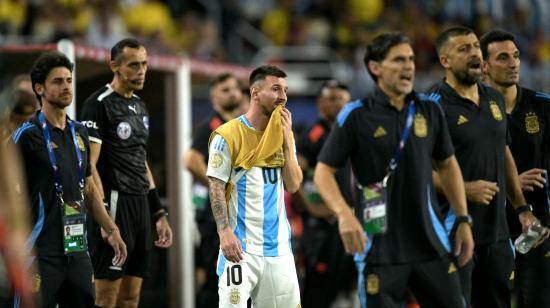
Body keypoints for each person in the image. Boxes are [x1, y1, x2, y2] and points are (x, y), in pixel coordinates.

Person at [314, 32, 474, 308]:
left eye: (411, 59)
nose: (409, 66)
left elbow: (448, 165)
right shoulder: (356, 115)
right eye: (399, 60)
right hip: (378, 247)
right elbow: (323, 172)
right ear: (375, 68)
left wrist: (462, 219)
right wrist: (344, 215)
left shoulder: (429, 110)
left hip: (430, 243)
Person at [428, 26, 540, 308]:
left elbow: (503, 153)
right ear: (445, 61)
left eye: (476, 46)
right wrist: (463, 189)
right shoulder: (432, 107)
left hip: (497, 233)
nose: (474, 53)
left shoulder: (493, 99)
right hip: (451, 230)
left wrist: (523, 209)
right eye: (463, 49)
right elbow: (412, 172)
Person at [12, 51, 126, 308]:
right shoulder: (27, 135)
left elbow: (90, 189)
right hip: (39, 251)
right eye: (57, 81)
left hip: (77, 249)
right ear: (39, 89)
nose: (66, 86)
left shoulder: (80, 133)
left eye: (68, 80)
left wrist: (111, 229)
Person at [79, 38, 173, 308]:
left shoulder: (141, 106)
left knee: (131, 297)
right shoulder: (98, 104)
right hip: (115, 203)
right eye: (133, 65)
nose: (141, 70)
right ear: (115, 66)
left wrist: (158, 213)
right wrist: (105, 218)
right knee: (107, 296)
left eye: (144, 64)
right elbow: (90, 166)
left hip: (140, 207)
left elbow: (140, 160)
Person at [206, 65, 302, 307]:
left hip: (279, 249)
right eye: (276, 89)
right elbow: (216, 187)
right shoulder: (227, 135)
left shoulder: (283, 134)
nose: (283, 97)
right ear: (255, 92)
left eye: (285, 90)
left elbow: (293, 185)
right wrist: (224, 232)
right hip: (240, 248)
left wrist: (289, 143)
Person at [480, 29, 550, 308]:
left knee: (537, 300)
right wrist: (509, 182)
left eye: (517, 56)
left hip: (537, 223)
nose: (513, 63)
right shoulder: (472, 112)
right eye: (503, 57)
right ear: (484, 65)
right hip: (488, 225)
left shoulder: (542, 105)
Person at [182, 72, 243, 308]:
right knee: (215, 279)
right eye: (225, 90)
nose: (232, 93)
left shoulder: (238, 126)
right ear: (213, 98)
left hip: (236, 216)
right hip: (213, 217)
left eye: (234, 88)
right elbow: (190, 160)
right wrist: (219, 187)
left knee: (234, 281)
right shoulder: (211, 126)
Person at [294, 80, 356, 308]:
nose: (338, 104)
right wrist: (310, 207)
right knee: (319, 286)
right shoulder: (316, 134)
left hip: (348, 219)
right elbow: (291, 175)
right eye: (332, 99)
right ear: (320, 103)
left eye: (342, 99)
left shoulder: (350, 133)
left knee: (346, 281)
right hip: (322, 227)